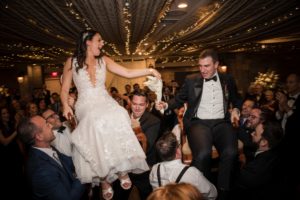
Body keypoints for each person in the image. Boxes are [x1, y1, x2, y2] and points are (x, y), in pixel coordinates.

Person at [60, 29, 161, 200]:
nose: (102, 43)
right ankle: (104, 179)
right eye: (99, 40)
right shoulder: (71, 62)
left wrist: (150, 71)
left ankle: (122, 170)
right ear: (88, 42)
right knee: (94, 121)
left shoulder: (104, 60)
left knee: (120, 113)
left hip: (104, 99)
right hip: (85, 103)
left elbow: (127, 73)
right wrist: (65, 105)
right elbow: (64, 89)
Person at [156, 49, 241, 200]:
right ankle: (204, 192)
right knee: (202, 154)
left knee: (231, 152)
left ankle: (223, 192)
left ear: (216, 64)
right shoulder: (191, 79)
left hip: (222, 122)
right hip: (199, 123)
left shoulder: (227, 79)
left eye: (206, 66)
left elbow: (237, 99)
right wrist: (165, 105)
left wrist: (235, 109)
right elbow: (178, 99)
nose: (202, 70)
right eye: (200, 66)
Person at [17, 116, 85, 200]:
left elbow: (68, 162)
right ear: (39, 136)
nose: (51, 126)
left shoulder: (47, 148)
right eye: (46, 125)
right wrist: (84, 174)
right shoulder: (41, 171)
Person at [113, 90, 161, 200]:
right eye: (134, 104)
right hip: (123, 168)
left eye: (141, 105)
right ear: (130, 103)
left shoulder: (154, 121)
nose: (137, 108)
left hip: (144, 169)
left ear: (147, 105)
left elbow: (147, 146)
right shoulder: (121, 117)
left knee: (147, 197)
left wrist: (137, 129)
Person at [150, 132, 217, 200]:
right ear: (178, 151)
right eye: (179, 145)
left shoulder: (154, 170)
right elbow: (212, 194)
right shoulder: (192, 173)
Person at [231, 120, 284, 200]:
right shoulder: (275, 152)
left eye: (255, 133)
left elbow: (237, 179)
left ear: (263, 142)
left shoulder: (255, 170)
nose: (252, 134)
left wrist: (239, 156)